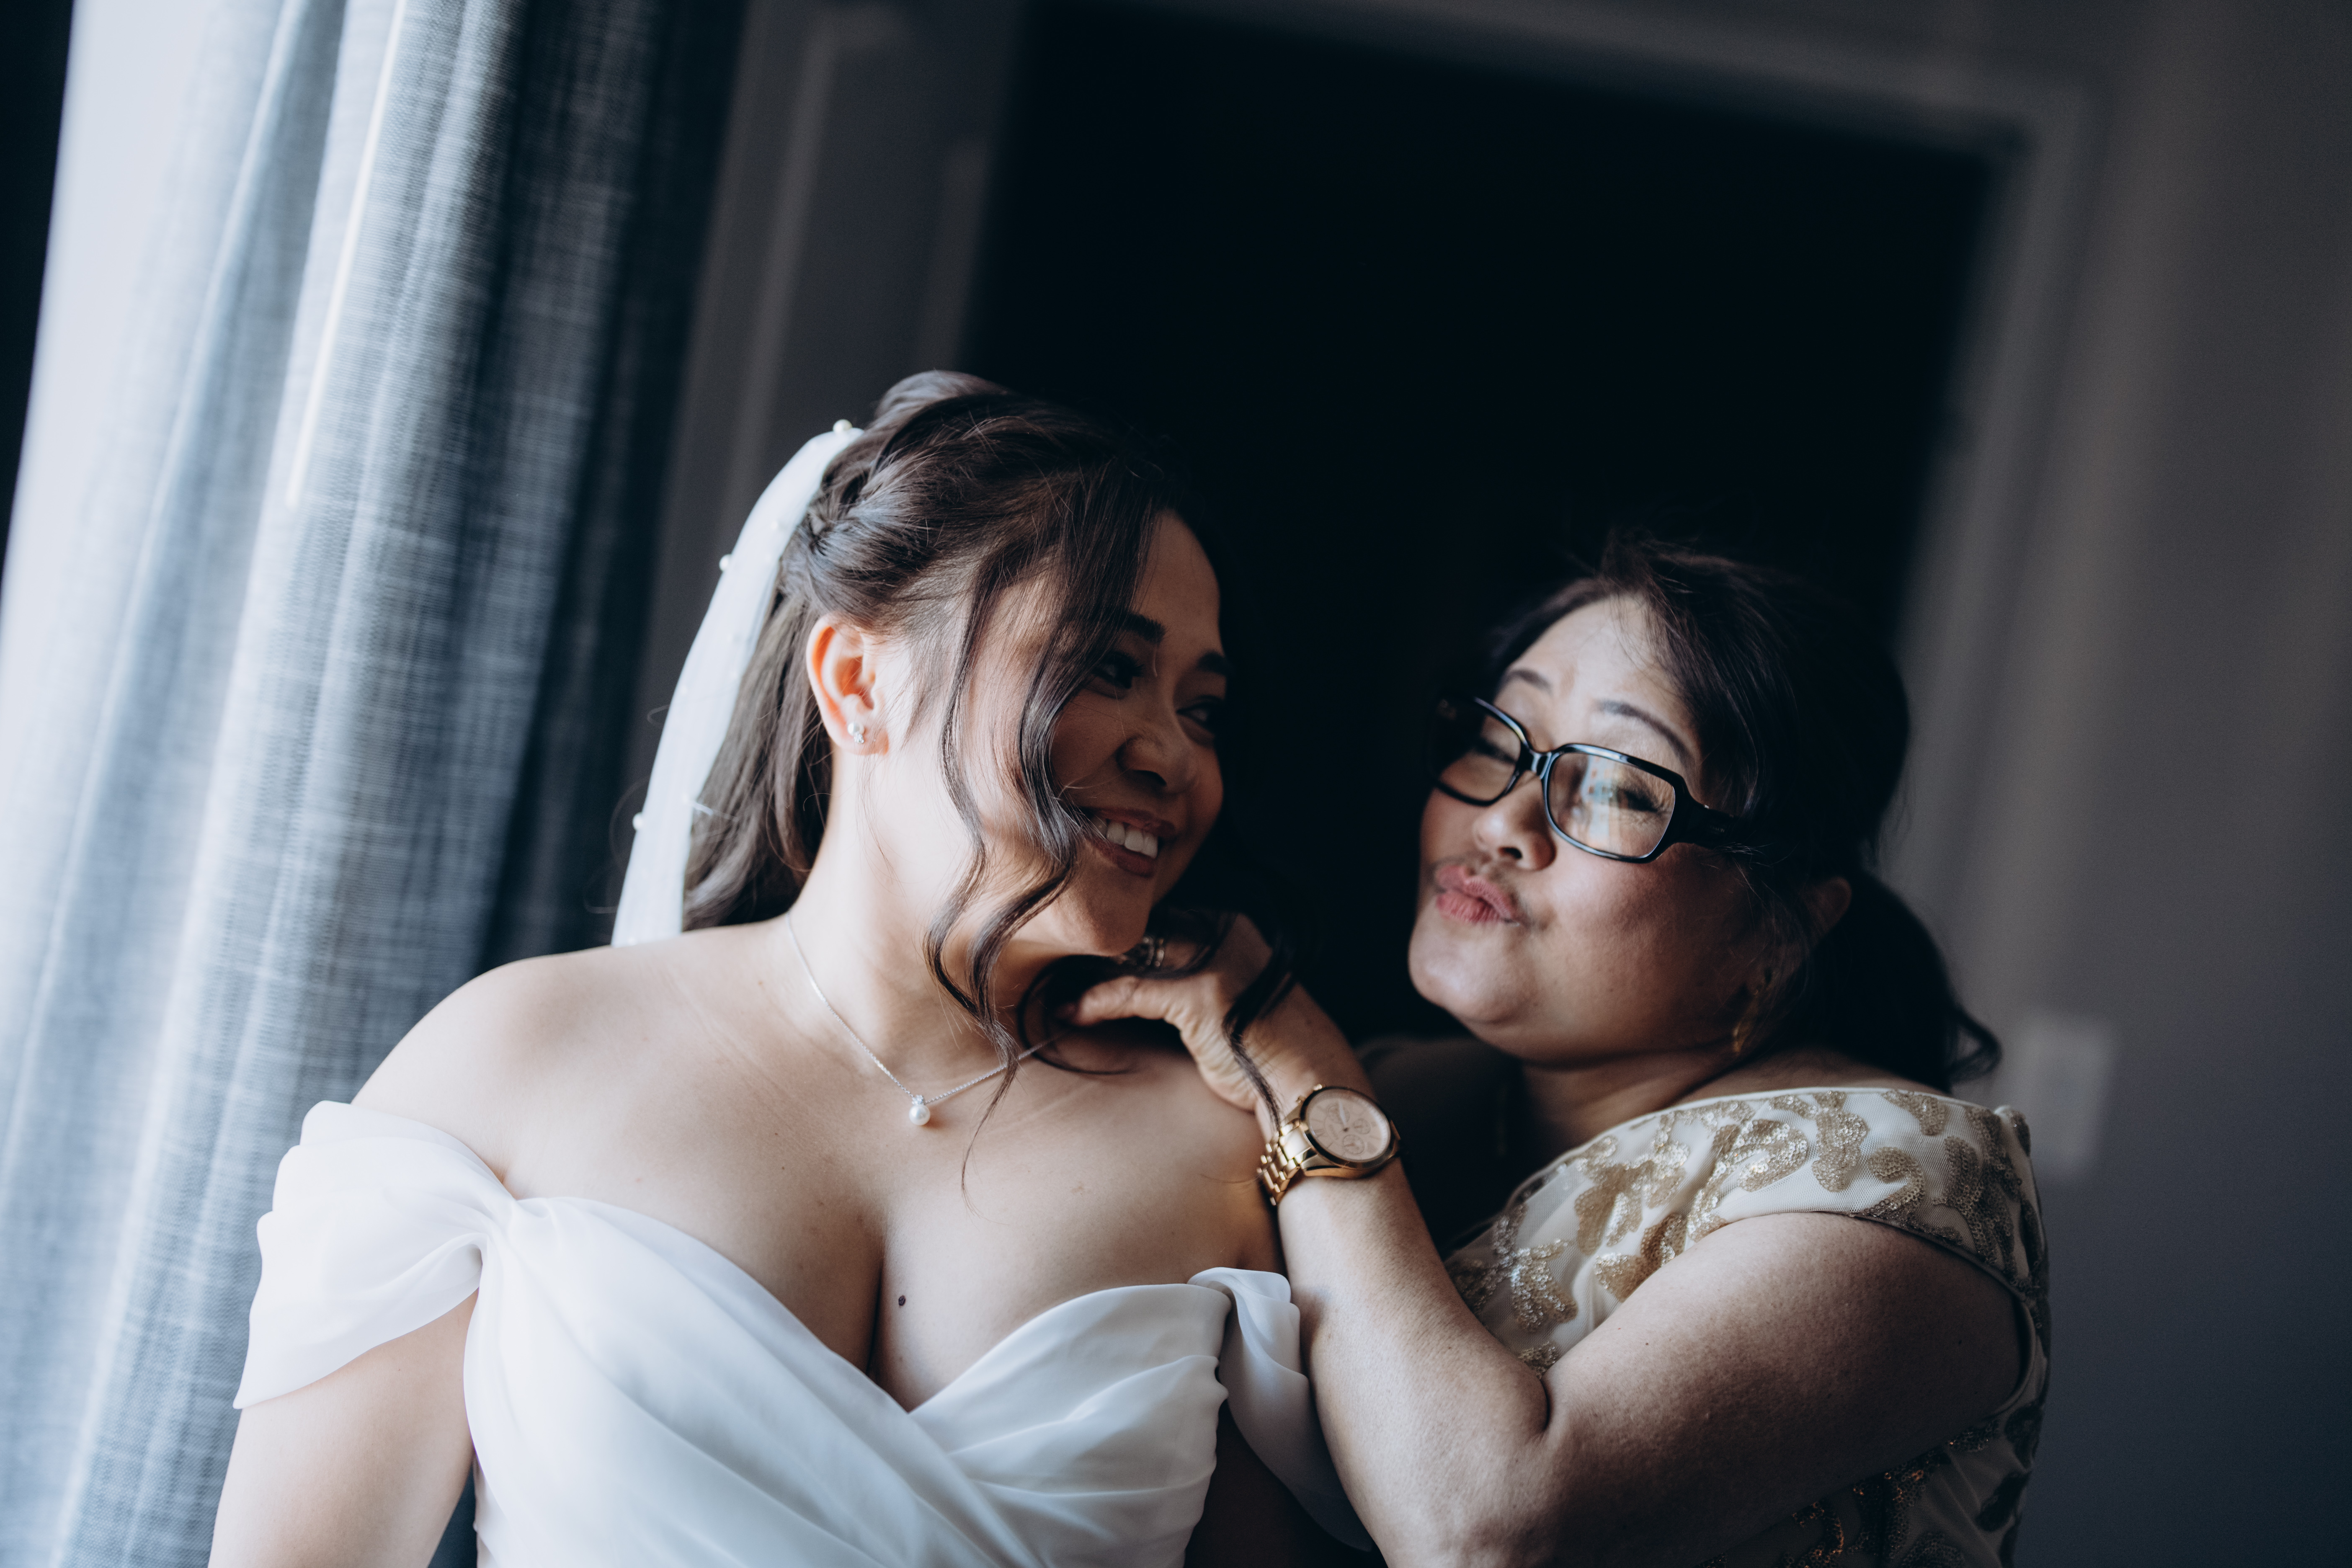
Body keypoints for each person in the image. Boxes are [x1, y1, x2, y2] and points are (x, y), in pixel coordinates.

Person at [208, 374, 1365, 1567]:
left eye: (1204, 709)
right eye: (1107, 667)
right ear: (859, 684)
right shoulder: (513, 1062)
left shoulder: (1215, 1151)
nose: (1172, 755)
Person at [1070, 537, 2048, 1567]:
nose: (1501, 820)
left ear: (1780, 926)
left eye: (1621, 788)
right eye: (1499, 739)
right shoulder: (1407, 1088)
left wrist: (1303, 1071)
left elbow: (1489, 1531)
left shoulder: (1901, 1192)